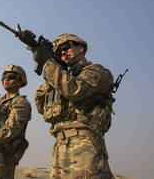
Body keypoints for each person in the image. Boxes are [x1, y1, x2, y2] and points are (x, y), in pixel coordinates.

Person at [32, 34, 115, 179]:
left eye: (65, 48)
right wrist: (54, 67)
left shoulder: (97, 71)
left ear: (80, 48)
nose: (62, 53)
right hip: (60, 144)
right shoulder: (62, 76)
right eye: (58, 53)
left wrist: (50, 64)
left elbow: (74, 89)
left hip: (85, 143)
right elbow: (41, 105)